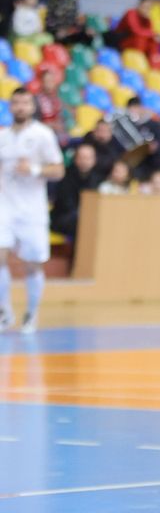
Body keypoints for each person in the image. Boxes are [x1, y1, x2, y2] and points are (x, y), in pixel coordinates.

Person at [0, 88, 65, 334]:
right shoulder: (3, 136)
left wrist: (35, 169)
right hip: (5, 207)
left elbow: (59, 170)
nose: (20, 107)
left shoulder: (43, 135)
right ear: (10, 106)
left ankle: (31, 313)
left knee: (32, 263)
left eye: (25, 102)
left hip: (32, 210)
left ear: (32, 106)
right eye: (15, 102)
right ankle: (4, 311)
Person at [50, 142, 102, 241]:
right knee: (82, 222)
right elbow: (66, 205)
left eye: (87, 158)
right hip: (63, 218)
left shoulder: (98, 178)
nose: (84, 161)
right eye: (81, 157)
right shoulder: (65, 176)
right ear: (76, 159)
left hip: (87, 217)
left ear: (94, 160)